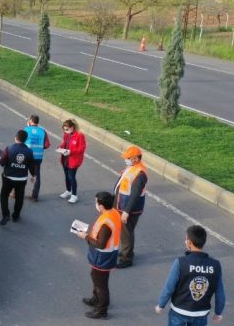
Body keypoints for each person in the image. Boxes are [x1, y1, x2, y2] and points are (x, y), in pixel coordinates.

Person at [155, 225, 225, 326]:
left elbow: (169, 286)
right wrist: (218, 312)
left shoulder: (180, 262)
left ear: (189, 243)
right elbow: (220, 293)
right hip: (201, 313)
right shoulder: (215, 265)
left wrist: (161, 305)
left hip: (179, 311)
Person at [75, 191, 121, 320]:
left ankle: (102, 309)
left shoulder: (106, 222)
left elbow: (101, 244)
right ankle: (96, 299)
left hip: (102, 257)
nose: (95, 204)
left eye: (96, 202)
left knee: (101, 284)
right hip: (105, 256)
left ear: (101, 205)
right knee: (96, 277)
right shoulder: (113, 213)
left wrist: (85, 237)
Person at [113, 145, 149, 269]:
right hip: (122, 205)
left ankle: (126, 258)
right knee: (124, 232)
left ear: (135, 159)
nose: (126, 160)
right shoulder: (132, 168)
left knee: (127, 233)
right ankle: (126, 252)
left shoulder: (140, 174)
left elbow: (135, 194)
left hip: (129, 209)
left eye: (128, 158)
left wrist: (126, 212)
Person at [0, 130, 36, 225]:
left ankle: (6, 215)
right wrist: (33, 175)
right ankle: (16, 215)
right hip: (22, 179)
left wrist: (1, 158)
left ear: (16, 137)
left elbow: (2, 163)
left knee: (4, 196)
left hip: (8, 177)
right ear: (26, 139)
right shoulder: (29, 151)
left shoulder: (9, 148)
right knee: (19, 197)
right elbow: (31, 166)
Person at [58, 119, 86, 204]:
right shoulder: (66, 135)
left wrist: (71, 151)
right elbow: (64, 143)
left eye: (67, 129)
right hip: (65, 158)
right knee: (66, 176)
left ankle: (74, 195)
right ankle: (68, 191)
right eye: (64, 130)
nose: (65, 131)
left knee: (71, 177)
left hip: (73, 160)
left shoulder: (80, 136)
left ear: (72, 127)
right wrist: (61, 147)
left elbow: (82, 148)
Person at [23, 114, 50, 202]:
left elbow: (21, 141)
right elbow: (46, 145)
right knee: (37, 175)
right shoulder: (43, 131)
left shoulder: (26, 129)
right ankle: (35, 196)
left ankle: (19, 193)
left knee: (23, 173)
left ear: (30, 121)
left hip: (27, 156)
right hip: (38, 157)